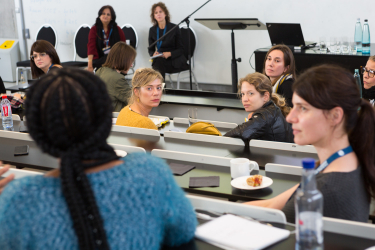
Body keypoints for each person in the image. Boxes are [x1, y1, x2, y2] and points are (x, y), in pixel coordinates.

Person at [0, 69, 196, 249]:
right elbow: (183, 233)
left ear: (37, 133)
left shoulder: (19, 199)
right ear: (104, 118)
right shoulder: (151, 171)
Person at [246, 65, 375, 223]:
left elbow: (267, 224)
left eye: (303, 108)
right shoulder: (344, 161)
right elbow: (272, 205)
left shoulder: (324, 190)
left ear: (335, 116)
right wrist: (224, 212)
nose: (290, 118)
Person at [224, 72, 293, 144]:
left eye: (250, 93)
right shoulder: (271, 109)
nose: (244, 99)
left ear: (265, 96)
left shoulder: (265, 116)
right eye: (243, 94)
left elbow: (236, 134)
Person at [148, 2, 189, 80]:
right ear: (154, 16)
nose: (158, 14)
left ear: (165, 13)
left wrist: (170, 54)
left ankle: (160, 88)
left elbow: (181, 49)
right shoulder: (152, 30)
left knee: (157, 66)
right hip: (160, 59)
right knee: (158, 62)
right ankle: (161, 87)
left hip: (174, 60)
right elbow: (150, 49)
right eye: (156, 13)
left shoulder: (174, 28)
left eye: (160, 11)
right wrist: (153, 53)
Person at [96, 42, 136, 112]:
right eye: (131, 61)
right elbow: (135, 102)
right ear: (123, 60)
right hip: (116, 119)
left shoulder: (100, 70)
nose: (131, 65)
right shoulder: (117, 79)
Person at [87, 5, 126, 72]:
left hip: (114, 59)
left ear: (112, 17)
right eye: (103, 14)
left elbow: (123, 46)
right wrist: (90, 66)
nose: (105, 16)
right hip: (99, 59)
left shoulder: (117, 29)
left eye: (108, 14)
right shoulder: (94, 29)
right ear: (99, 16)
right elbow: (91, 47)